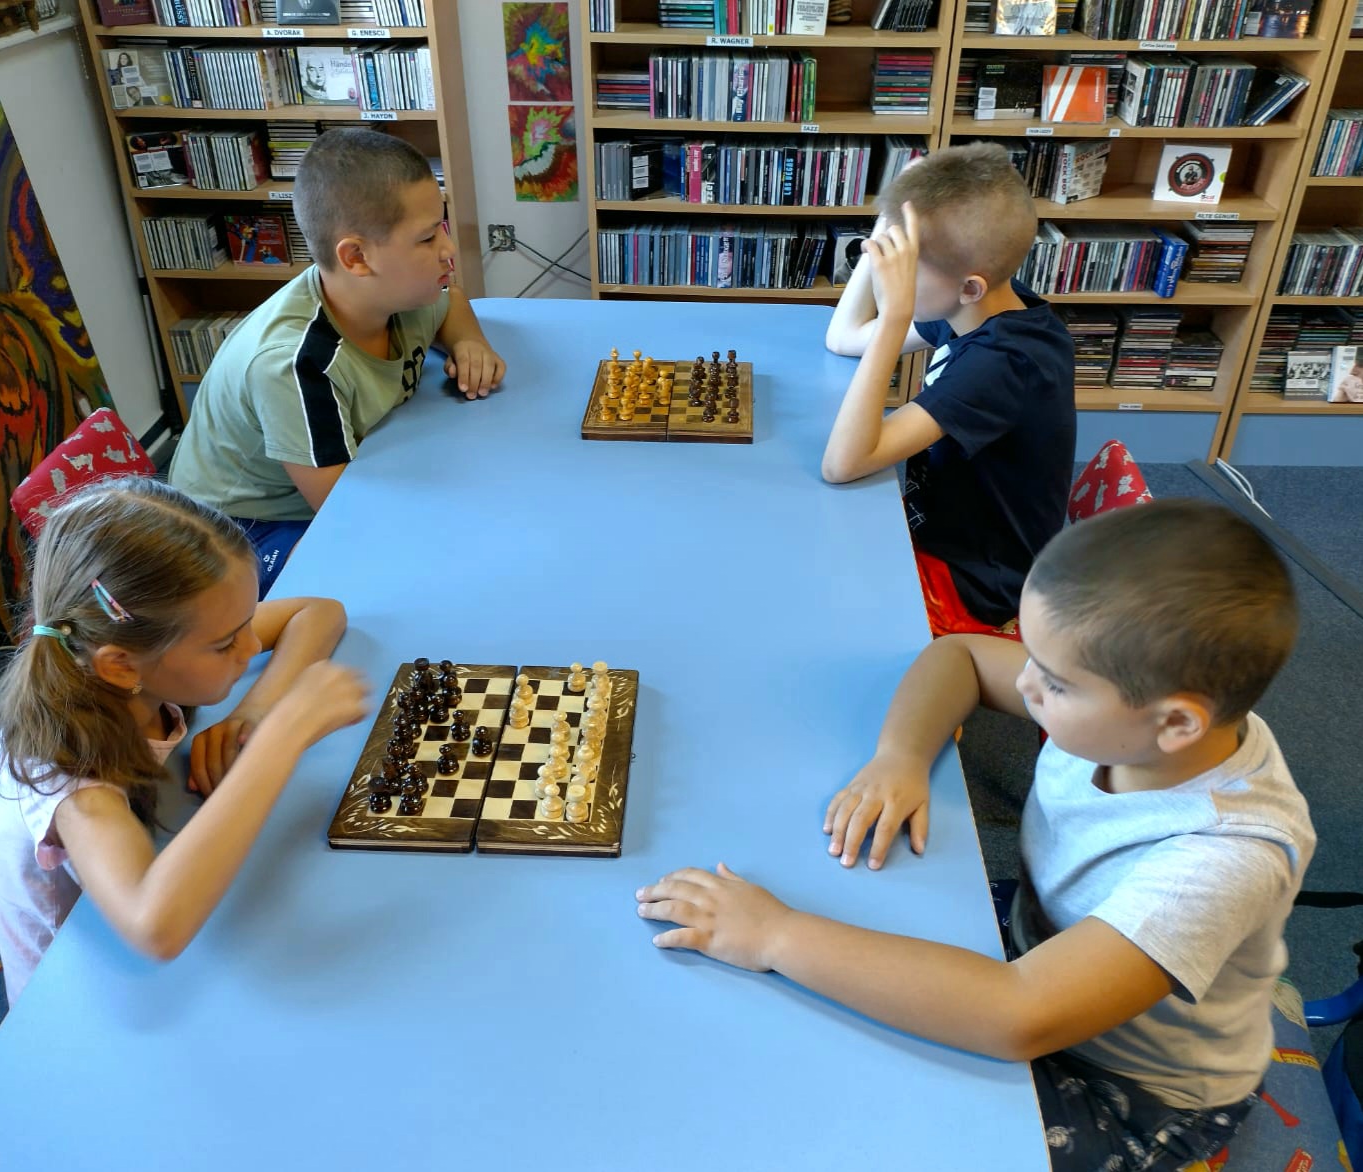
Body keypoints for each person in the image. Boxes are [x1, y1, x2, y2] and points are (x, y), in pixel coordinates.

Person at [637, 499, 1313, 1170]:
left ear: (1177, 724)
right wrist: (901, 756)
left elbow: (1017, 1015)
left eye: (1054, 682)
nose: (1025, 682)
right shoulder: (1136, 720)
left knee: (856, 1114)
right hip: (1039, 960)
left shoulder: (1226, 857)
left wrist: (775, 935)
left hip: (1134, 1091)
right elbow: (957, 655)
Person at [0, 477, 372, 1005]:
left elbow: (318, 613)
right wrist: (281, 737)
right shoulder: (67, 772)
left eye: (248, 623)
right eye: (226, 644)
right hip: (75, 1003)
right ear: (121, 666)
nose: (252, 645)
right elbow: (155, 925)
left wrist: (254, 712)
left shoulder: (134, 649)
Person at [168, 128, 506, 596]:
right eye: (428, 237)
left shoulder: (397, 293)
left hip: (350, 480)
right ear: (357, 258)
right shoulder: (294, 366)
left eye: (441, 226)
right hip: (239, 530)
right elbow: (348, 511)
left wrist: (468, 341)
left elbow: (453, 303)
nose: (448, 250)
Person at [821, 143, 1076, 637]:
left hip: (973, 585)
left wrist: (895, 316)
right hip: (933, 535)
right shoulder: (977, 307)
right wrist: (889, 224)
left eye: (905, 267)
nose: (891, 278)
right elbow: (844, 337)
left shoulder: (1004, 363)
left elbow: (843, 464)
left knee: (810, 592)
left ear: (970, 287)